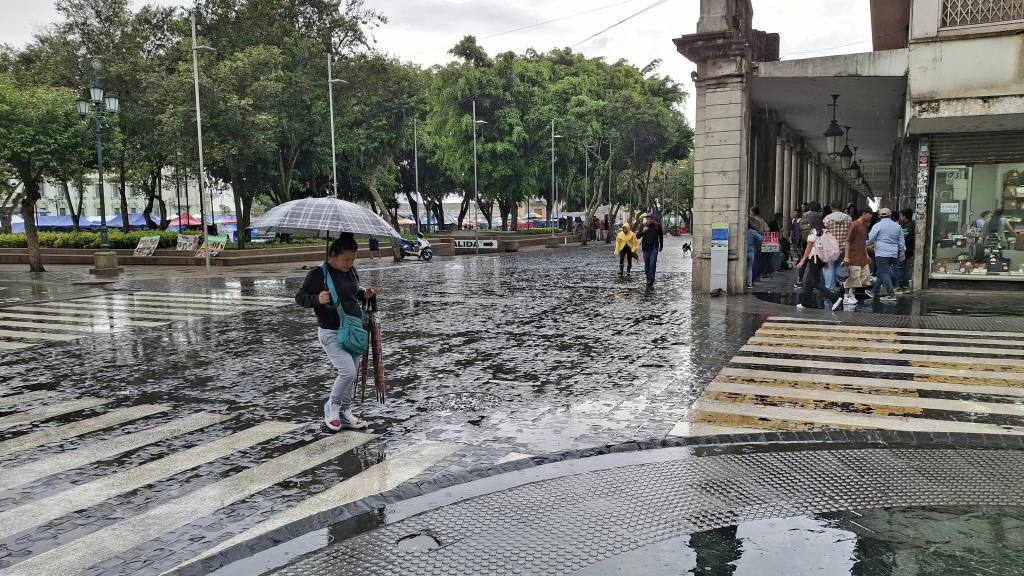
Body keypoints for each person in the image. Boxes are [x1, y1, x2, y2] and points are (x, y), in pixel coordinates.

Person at [295, 233, 377, 431]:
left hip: (353, 330)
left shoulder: (351, 271)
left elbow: (352, 293)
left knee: (352, 374)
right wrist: (317, 299)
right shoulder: (318, 274)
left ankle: (346, 412)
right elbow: (300, 297)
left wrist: (364, 294)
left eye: (353, 259)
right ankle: (332, 408)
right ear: (333, 254)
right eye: (346, 259)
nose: (349, 263)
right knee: (347, 372)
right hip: (331, 332)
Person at [795, 214, 837, 310]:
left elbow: (808, 248)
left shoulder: (813, 232)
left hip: (815, 258)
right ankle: (806, 302)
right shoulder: (824, 231)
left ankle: (834, 298)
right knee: (809, 281)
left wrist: (802, 260)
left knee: (814, 282)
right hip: (822, 258)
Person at [867, 207, 906, 303]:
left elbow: (870, 239)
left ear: (879, 216)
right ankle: (874, 291)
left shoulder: (878, 225)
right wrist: (902, 252)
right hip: (893, 253)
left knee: (884, 273)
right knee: (882, 272)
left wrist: (861, 245)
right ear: (890, 215)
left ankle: (891, 294)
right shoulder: (897, 226)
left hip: (881, 253)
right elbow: (901, 240)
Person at [842, 209, 873, 308]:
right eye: (869, 214)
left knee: (864, 277)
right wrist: (846, 256)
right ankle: (846, 297)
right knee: (852, 277)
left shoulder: (864, 226)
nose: (871, 216)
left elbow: (864, 243)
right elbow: (848, 241)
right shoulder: (854, 225)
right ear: (863, 214)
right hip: (853, 256)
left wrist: (866, 255)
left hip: (862, 257)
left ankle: (851, 293)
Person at [823, 200, 852, 299]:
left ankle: (829, 288)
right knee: (839, 267)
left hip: (830, 248)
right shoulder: (848, 219)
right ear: (842, 207)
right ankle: (839, 286)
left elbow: (824, 234)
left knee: (829, 268)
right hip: (844, 247)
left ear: (831, 207)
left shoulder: (827, 219)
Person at [637, 213, 665, 289]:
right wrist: (643, 231)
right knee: (647, 264)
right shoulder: (643, 226)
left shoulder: (657, 225)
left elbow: (661, 236)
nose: (648, 220)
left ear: (653, 219)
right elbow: (637, 236)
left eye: (649, 218)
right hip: (645, 248)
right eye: (647, 218)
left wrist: (661, 246)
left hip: (654, 248)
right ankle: (648, 277)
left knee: (652, 263)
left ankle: (651, 279)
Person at [896, 208, 915, 292]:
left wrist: (901, 249)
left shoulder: (908, 226)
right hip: (905, 250)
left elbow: (906, 239)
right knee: (902, 267)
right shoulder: (905, 224)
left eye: (901, 215)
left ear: (905, 216)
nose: (900, 217)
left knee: (900, 267)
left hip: (905, 250)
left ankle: (901, 286)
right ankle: (903, 285)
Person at [746, 222, 763, 290]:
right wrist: (755, 243)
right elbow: (761, 239)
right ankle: (749, 284)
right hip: (750, 251)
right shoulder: (753, 232)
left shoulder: (741, 231)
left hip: (742, 252)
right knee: (749, 269)